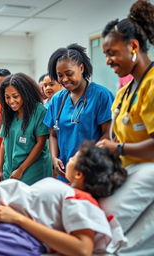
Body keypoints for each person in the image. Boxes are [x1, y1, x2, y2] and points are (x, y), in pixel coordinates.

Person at [97, 0, 154, 253]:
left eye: (112, 53)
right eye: (105, 55)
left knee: (118, 240)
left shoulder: (152, 85)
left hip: (148, 176)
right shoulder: (124, 93)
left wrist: (117, 148)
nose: (108, 60)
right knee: (120, 244)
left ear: (133, 46)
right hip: (128, 174)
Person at [44, 43, 114, 180]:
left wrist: (85, 158)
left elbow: (109, 133)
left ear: (81, 68)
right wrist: (53, 157)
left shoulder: (101, 95)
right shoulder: (57, 100)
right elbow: (53, 134)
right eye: (60, 75)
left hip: (93, 170)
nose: (64, 79)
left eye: (69, 73)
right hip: (65, 172)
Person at [0, 72, 52, 185]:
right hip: (10, 171)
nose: (11, 101)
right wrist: (0, 171)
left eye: (15, 96)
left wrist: (21, 169)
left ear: (25, 94)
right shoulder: (9, 113)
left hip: (32, 172)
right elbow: (4, 142)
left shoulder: (39, 111)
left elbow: (40, 144)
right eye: (7, 97)